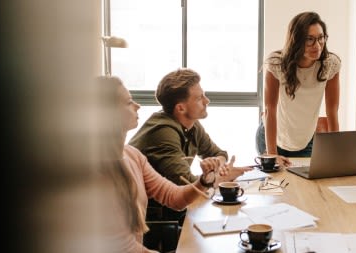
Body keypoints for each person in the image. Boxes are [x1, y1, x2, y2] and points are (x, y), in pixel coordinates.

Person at [96, 75, 228, 253]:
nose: (138, 105)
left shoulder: (132, 156)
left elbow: (174, 197)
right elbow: (122, 247)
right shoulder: (99, 171)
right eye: (129, 102)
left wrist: (204, 180)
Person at [128, 68, 252, 224]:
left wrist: (219, 166)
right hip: (150, 220)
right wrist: (222, 177)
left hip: (173, 210)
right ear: (181, 108)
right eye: (200, 98)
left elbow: (218, 153)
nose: (207, 101)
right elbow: (190, 186)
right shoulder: (163, 132)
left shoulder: (191, 124)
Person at [256, 11, 342, 162]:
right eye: (310, 39)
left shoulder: (330, 64)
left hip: (305, 141)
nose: (317, 45)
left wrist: (335, 150)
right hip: (271, 138)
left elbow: (332, 110)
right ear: (296, 40)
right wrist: (272, 155)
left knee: (304, 184)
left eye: (321, 38)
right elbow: (270, 109)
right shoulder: (276, 64)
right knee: (275, 184)